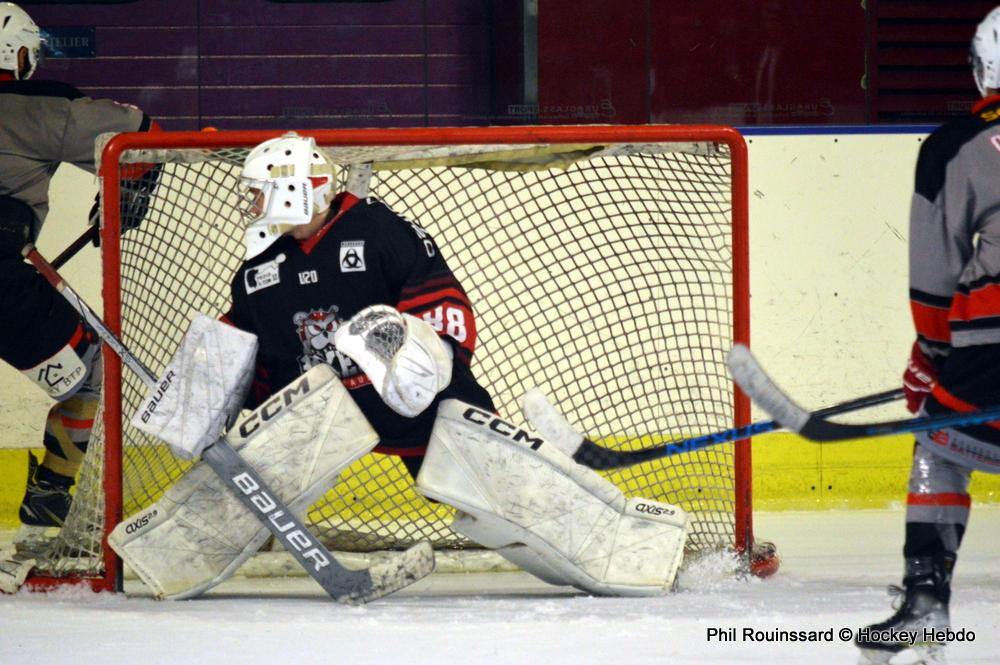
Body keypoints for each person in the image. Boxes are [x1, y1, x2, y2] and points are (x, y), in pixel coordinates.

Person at [214, 132, 689, 597]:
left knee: (498, 504)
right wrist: (212, 398)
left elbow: (445, 310)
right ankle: (179, 555)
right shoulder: (259, 270)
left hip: (422, 409)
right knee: (242, 480)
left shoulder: (378, 230)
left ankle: (637, 556)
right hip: (331, 414)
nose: (252, 205)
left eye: (258, 193)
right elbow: (249, 358)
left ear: (292, 189)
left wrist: (424, 362)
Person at [856, 6, 1000, 664]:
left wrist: (932, 356)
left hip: (989, 349)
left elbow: (934, 279)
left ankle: (925, 600)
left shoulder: (955, 145)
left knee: (940, 444)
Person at [0, 2, 158, 547]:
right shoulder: (35, 107)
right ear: (15, 54)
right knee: (88, 373)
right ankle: (45, 518)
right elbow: (140, 135)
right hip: (2, 288)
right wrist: (127, 190)